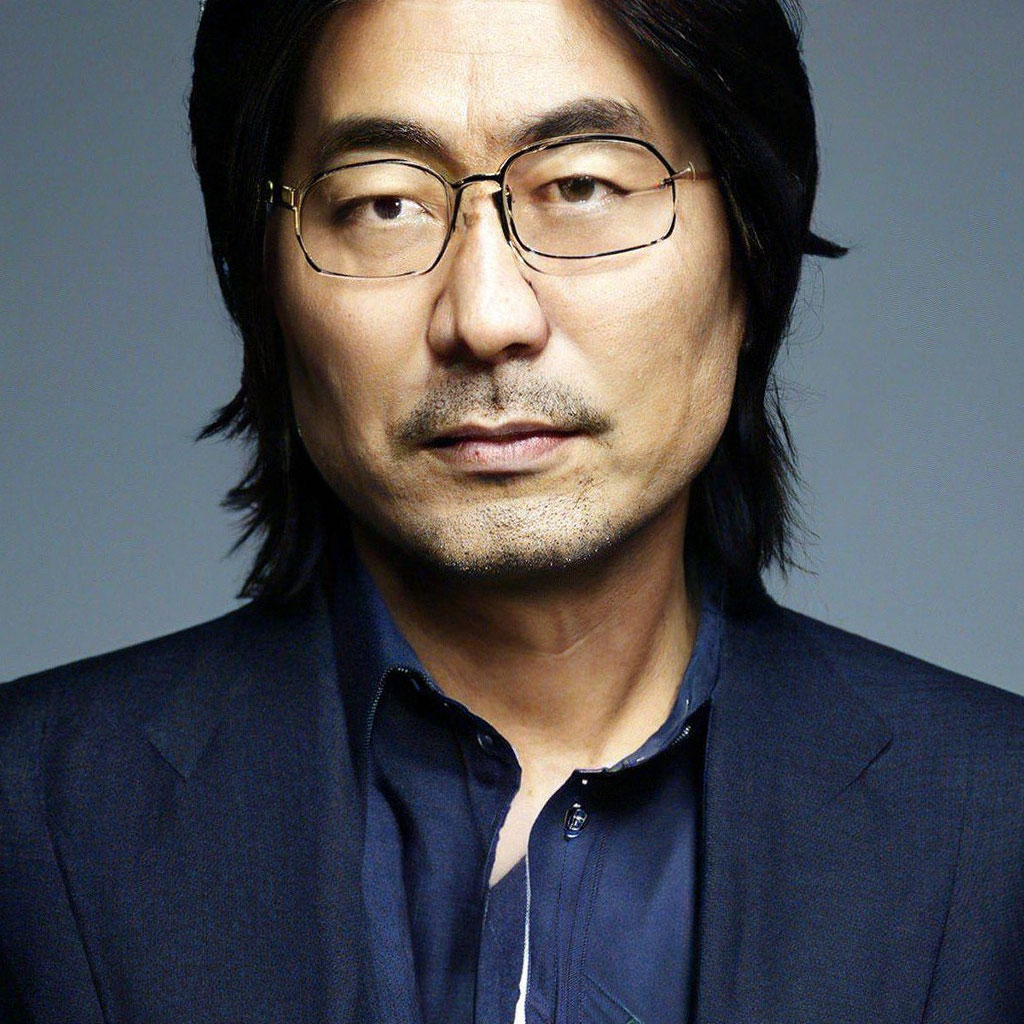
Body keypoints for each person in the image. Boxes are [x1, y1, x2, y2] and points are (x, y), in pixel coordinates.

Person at [1, 0, 1021, 1020]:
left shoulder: (995, 829)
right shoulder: (30, 819)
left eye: (581, 186)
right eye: (382, 204)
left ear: (749, 244)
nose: (487, 316)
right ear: (262, 279)